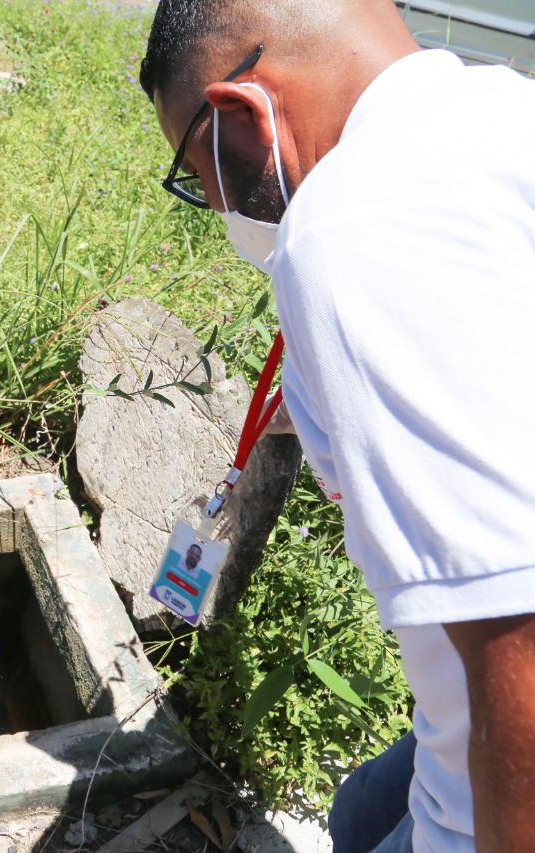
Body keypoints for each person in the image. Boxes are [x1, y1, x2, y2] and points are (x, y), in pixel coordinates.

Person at [139, 1, 535, 850]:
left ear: (240, 114)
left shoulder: (350, 223)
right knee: (358, 810)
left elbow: (523, 633)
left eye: (197, 171)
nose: (216, 205)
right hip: (464, 715)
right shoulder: (505, 110)